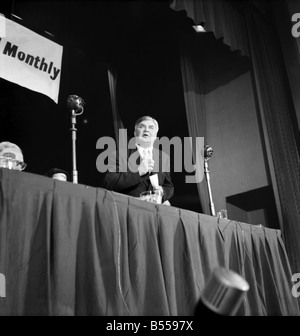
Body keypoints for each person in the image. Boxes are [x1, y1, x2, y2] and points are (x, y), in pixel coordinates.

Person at [103, 116, 174, 204]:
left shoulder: (164, 157)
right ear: (135, 133)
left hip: (155, 211)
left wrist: (163, 191)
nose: (146, 130)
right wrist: (139, 171)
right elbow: (109, 182)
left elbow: (168, 185)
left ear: (155, 135)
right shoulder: (118, 154)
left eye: (151, 127)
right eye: (142, 126)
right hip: (129, 208)